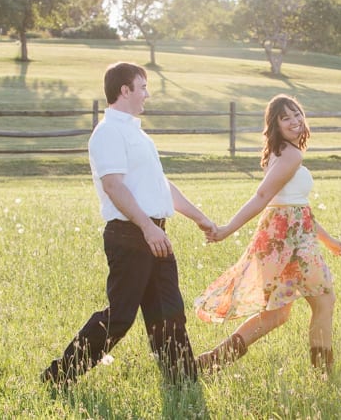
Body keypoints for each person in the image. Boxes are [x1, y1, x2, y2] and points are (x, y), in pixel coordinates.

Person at [41, 62, 216, 387]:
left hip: (155, 233)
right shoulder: (108, 133)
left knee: (169, 311)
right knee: (120, 317)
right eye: (143, 87)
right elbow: (113, 186)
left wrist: (200, 218)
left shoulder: (138, 135)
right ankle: (59, 376)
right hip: (130, 234)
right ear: (125, 90)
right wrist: (147, 228)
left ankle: (183, 382)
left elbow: (161, 185)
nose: (147, 94)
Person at [194, 94, 341, 375]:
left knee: (277, 314)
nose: (295, 121)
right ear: (274, 125)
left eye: (297, 114)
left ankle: (211, 361)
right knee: (324, 299)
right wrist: (227, 229)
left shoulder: (280, 153)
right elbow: (263, 195)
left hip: (281, 238)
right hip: (291, 243)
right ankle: (324, 372)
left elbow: (297, 207)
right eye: (285, 117)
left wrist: (328, 240)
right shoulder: (291, 155)